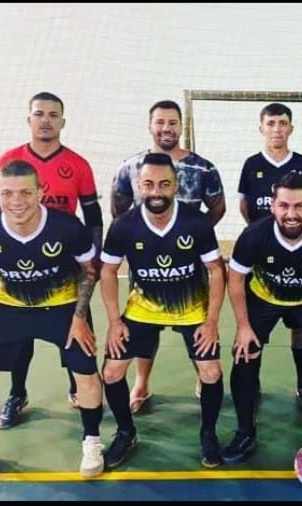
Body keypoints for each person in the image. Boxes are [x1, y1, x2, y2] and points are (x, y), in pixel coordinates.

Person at [0, 160, 104, 489]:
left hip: (62, 305)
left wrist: (80, 318)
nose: (16, 201)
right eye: (7, 193)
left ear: (41, 191)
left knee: (86, 370)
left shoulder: (68, 227)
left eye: (25, 192)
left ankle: (92, 440)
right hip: (9, 306)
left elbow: (88, 272)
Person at [0, 91, 103, 428]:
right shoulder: (10, 160)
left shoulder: (78, 165)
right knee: (20, 337)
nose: (46, 120)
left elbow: (93, 218)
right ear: (29, 119)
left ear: (63, 121)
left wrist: (93, 259)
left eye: (53, 114)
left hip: (65, 269)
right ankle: (17, 393)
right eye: (39, 114)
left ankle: (78, 388)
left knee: (76, 332)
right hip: (20, 268)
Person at [99, 153, 227, 469]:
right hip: (143, 308)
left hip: (190, 308)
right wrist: (114, 321)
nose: (156, 192)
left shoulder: (196, 222)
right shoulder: (124, 225)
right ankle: (126, 432)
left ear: (176, 185)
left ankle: (208, 433)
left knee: (211, 371)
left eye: (164, 184)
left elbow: (216, 269)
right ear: (139, 186)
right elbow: (108, 271)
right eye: (148, 184)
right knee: (112, 371)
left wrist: (211, 321)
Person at [221, 171, 302, 466]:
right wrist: (243, 327)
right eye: (284, 206)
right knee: (244, 354)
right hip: (264, 298)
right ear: (272, 206)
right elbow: (235, 278)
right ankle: (244, 432)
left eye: (299, 206)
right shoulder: (254, 235)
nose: (291, 214)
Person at [110, 99, 226, 413]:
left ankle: (202, 376)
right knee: (145, 328)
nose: (166, 128)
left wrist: (190, 240)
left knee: (196, 329)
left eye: (173, 122)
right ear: (150, 125)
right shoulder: (130, 167)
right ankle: (142, 383)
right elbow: (118, 209)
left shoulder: (203, 168)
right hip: (146, 268)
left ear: (181, 126)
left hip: (190, 268)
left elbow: (218, 207)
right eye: (160, 122)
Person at [237, 102, 302, 416]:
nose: (276, 129)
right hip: (263, 264)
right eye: (271, 123)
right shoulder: (251, 165)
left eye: (282, 123)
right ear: (261, 128)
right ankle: (253, 385)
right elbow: (245, 207)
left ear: (291, 128)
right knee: (256, 326)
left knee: (300, 326)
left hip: (300, 260)